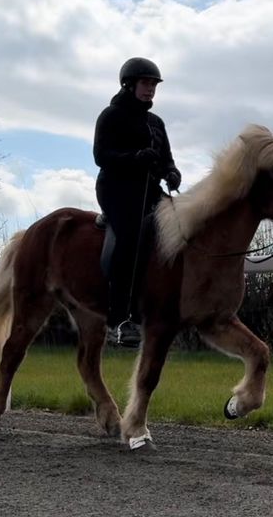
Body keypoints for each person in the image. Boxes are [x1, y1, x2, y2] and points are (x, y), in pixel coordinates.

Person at [93, 57, 181, 347]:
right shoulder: (111, 115)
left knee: (181, 225)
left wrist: (171, 172)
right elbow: (101, 156)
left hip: (149, 189)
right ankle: (118, 319)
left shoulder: (156, 123)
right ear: (129, 85)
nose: (151, 89)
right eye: (146, 83)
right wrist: (134, 159)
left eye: (154, 85)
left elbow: (166, 158)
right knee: (131, 236)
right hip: (116, 188)